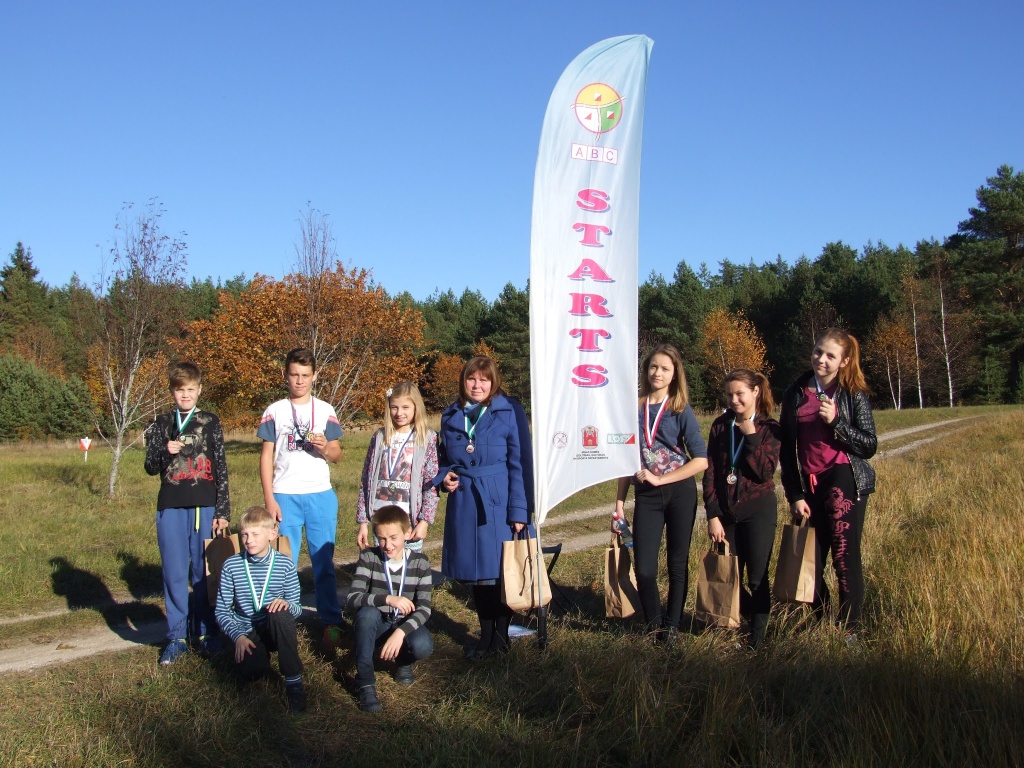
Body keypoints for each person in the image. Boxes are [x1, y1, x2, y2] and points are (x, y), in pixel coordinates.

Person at [780, 328, 876, 640]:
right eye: (818, 351)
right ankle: (820, 621)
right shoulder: (795, 393)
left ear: (844, 361)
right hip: (810, 485)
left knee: (844, 558)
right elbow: (787, 451)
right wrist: (794, 494)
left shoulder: (852, 392)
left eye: (830, 356)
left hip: (843, 478)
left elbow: (869, 445)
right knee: (810, 560)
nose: (821, 359)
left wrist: (836, 422)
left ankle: (850, 631)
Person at [434, 356, 531, 660]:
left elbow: (520, 462)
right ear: (463, 381)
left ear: (493, 382)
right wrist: (444, 476)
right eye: (471, 379)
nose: (477, 385)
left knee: (500, 572)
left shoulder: (509, 411)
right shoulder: (450, 414)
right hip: (465, 502)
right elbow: (442, 458)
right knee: (476, 574)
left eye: (484, 380)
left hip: (498, 501)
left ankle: (500, 639)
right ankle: (485, 636)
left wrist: (519, 509)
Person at [614, 344, 708, 643]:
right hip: (647, 496)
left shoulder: (680, 409)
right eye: (653, 366)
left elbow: (701, 460)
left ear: (675, 374)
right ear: (646, 370)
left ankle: (673, 627)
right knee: (644, 568)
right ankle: (655, 626)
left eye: (665, 368)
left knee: (677, 564)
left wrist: (662, 478)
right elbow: (625, 459)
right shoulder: (633, 408)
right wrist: (619, 503)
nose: (658, 373)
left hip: (680, 492)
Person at [144, 361, 230, 665]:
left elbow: (221, 465)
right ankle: (176, 636)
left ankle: (206, 632)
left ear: (199, 390)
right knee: (174, 572)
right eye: (180, 390)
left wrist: (223, 510)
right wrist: (163, 451)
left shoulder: (210, 421)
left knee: (204, 573)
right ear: (172, 391)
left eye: (191, 389)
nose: (185, 395)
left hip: (204, 505)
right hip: (170, 505)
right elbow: (149, 466)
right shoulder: (162, 423)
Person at [258, 347, 345, 647]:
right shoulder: (274, 410)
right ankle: (283, 623)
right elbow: (266, 457)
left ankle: (331, 622)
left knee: (323, 564)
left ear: (315, 376)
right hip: (285, 496)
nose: (299, 381)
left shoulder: (325, 409)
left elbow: (337, 455)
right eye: (294, 374)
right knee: (283, 566)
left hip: (320, 494)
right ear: (285, 375)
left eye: (305, 375)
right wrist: (269, 499)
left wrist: (325, 447)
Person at [702, 369, 782, 649]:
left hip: (759, 510)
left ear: (755, 392)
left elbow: (764, 471)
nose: (734, 400)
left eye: (740, 394)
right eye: (729, 395)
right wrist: (713, 514)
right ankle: (742, 621)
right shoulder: (720, 426)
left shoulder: (769, 427)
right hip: (726, 515)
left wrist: (751, 437)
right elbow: (710, 472)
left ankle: (757, 642)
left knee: (757, 578)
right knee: (728, 574)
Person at [215, 505, 306, 714]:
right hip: (246, 631)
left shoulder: (285, 564)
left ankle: (294, 682)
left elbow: (297, 607)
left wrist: (287, 605)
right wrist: (238, 636)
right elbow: (222, 611)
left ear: (271, 534)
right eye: (244, 534)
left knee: (280, 614)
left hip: (275, 626)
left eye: (255, 534)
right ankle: (259, 654)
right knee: (251, 672)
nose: (249, 540)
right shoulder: (231, 565)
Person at [346, 505, 434, 713]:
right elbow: (352, 598)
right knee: (367, 614)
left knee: (423, 645)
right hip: (377, 624)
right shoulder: (369, 558)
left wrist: (401, 632)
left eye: (394, 538)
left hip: (403, 624)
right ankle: (365, 682)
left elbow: (424, 609)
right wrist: (387, 599)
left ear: (407, 534)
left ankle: (404, 661)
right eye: (381, 539)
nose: (387, 545)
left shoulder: (420, 563)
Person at [356, 382, 439, 553]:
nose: (399, 413)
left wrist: (424, 521)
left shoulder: (427, 438)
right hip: (382, 519)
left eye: (405, 407)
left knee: (410, 567)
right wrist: (363, 522)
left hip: (409, 522)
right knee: (384, 566)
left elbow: (431, 484)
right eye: (394, 407)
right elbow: (366, 480)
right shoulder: (379, 437)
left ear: (416, 407)